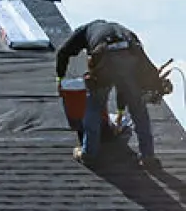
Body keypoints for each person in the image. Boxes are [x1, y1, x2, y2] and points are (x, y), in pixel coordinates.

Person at [55, 19, 162, 171]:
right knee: (138, 109)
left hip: (105, 58)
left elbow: (63, 52)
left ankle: (89, 154)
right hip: (131, 55)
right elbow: (125, 83)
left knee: (94, 105)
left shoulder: (84, 32)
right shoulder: (125, 31)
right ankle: (148, 157)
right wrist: (120, 113)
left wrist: (60, 78)